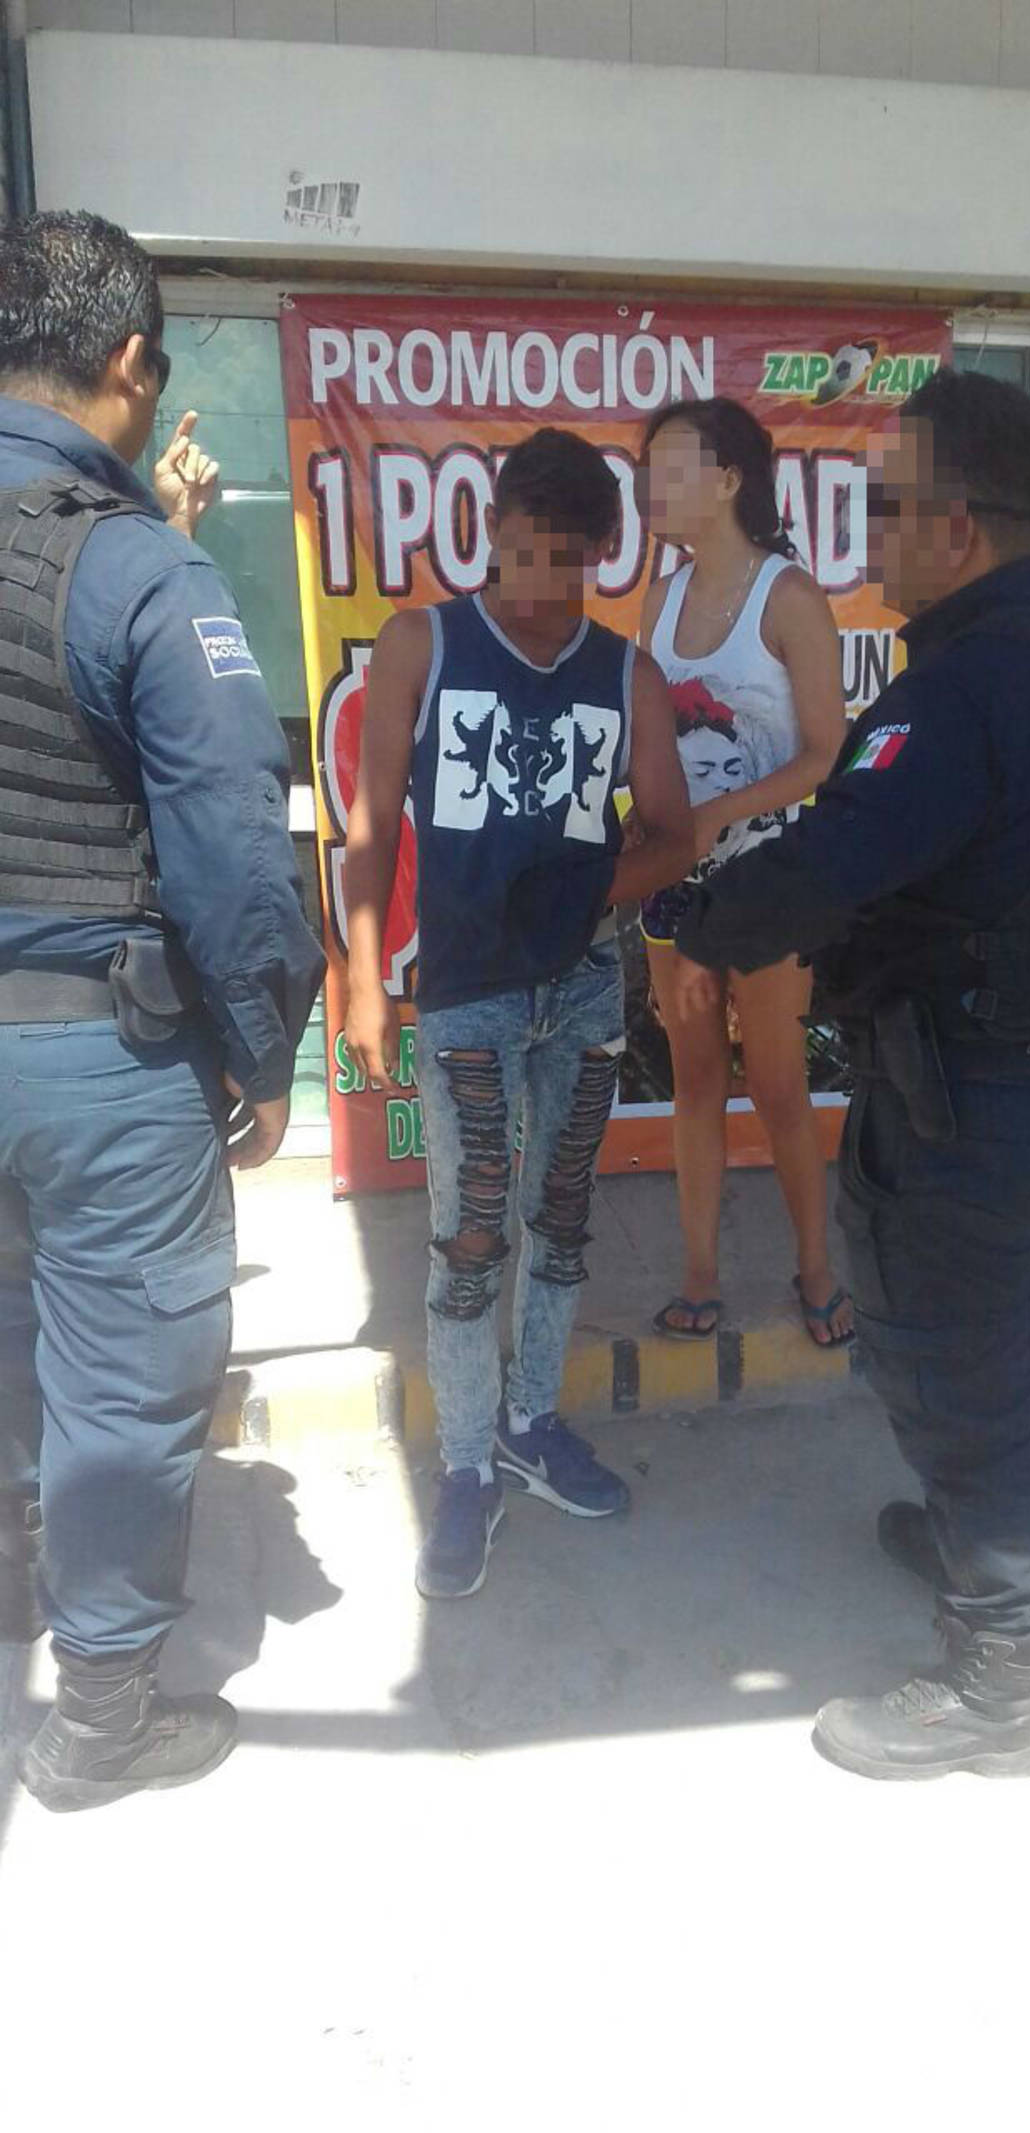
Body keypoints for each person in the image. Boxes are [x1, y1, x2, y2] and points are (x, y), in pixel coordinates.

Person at [671, 368, 1030, 1781]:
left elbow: (831, 862)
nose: (866, 537)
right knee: (969, 1340)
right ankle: (975, 1542)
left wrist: (690, 921)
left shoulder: (962, 689)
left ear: (958, 526)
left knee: (951, 1366)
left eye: (885, 507)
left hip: (958, 1102)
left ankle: (997, 1679)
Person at [0, 210, 326, 1812]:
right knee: (125, 1372)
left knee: (13, 1332)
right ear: (130, 363)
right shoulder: (133, 565)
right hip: (92, 1051)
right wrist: (263, 1055)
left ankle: (27, 1567)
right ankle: (103, 1717)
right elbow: (235, 854)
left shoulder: (128, 544)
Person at [344, 427, 693, 1601]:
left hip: (584, 987)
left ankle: (529, 1424)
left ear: (601, 553)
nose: (543, 584)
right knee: (468, 1238)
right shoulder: (423, 644)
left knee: (560, 1224)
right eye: (525, 551)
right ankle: (463, 1469)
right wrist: (362, 977)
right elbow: (370, 826)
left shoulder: (625, 674)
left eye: (570, 559)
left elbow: (674, 834)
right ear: (489, 533)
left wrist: (595, 888)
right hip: (467, 1000)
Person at [638, 398, 853, 1348]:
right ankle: (698, 1274)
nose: (651, 483)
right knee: (693, 1081)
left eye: (671, 464)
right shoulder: (660, 599)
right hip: (674, 882)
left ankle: (816, 1269)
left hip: (770, 885)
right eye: (647, 466)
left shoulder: (789, 596)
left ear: (728, 479)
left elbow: (826, 755)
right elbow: (652, 739)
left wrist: (717, 813)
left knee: (776, 1085)